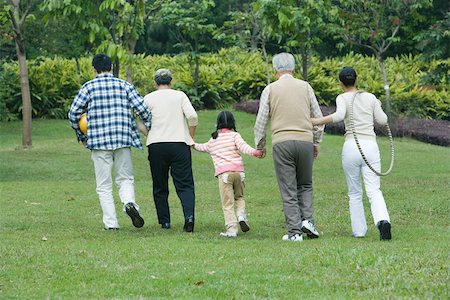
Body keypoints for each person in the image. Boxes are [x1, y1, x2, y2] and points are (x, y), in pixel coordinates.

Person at [68, 53, 152, 230]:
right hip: (122, 139)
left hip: (98, 142)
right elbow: (143, 108)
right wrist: (149, 127)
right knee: (125, 178)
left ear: (94, 69)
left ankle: (111, 224)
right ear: (112, 67)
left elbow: (73, 114)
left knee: (104, 185)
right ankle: (129, 203)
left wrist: (82, 136)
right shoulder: (124, 85)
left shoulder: (88, 88)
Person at [311, 67, 392, 240]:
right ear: (356, 80)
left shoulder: (342, 97)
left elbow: (340, 115)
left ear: (340, 83)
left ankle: (359, 231)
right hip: (370, 145)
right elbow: (383, 120)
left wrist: (317, 121)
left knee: (354, 192)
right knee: (374, 189)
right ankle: (383, 220)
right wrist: (377, 104)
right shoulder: (370, 97)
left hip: (351, 146)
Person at [254, 52, 324, 242]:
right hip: (305, 141)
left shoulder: (270, 89)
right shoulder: (305, 87)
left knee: (288, 188)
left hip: (282, 142)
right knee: (306, 184)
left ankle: (294, 232)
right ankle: (308, 221)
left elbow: (261, 121)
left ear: (275, 69)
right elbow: (318, 118)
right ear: (293, 68)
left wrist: (260, 145)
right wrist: (315, 141)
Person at [143, 69, 198, 232]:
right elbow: (193, 116)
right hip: (179, 143)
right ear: (171, 82)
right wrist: (190, 137)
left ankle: (165, 221)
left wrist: (148, 133)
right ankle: (189, 217)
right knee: (185, 184)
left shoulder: (148, 98)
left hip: (156, 145)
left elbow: (140, 120)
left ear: (155, 82)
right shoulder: (179, 95)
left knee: (160, 184)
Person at [193, 111, 264, 238]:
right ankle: (241, 215)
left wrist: (191, 144)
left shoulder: (214, 139)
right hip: (239, 173)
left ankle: (231, 230)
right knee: (239, 197)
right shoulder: (235, 136)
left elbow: (202, 147)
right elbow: (244, 147)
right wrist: (255, 152)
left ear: (218, 124)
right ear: (233, 123)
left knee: (227, 203)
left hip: (224, 175)